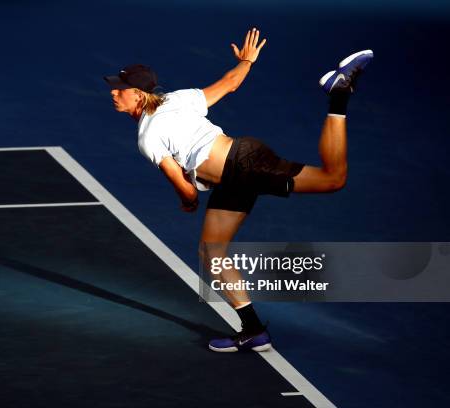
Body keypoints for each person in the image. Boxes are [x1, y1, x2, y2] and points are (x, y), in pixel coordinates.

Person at [104, 27, 373, 352]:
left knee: (333, 179)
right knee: (211, 253)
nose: (114, 93)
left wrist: (188, 201)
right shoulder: (177, 98)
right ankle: (254, 330)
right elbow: (229, 83)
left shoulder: (147, 138)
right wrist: (246, 61)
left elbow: (185, 190)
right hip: (235, 172)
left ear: (138, 94)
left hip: (244, 166)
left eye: (121, 89)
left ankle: (338, 95)